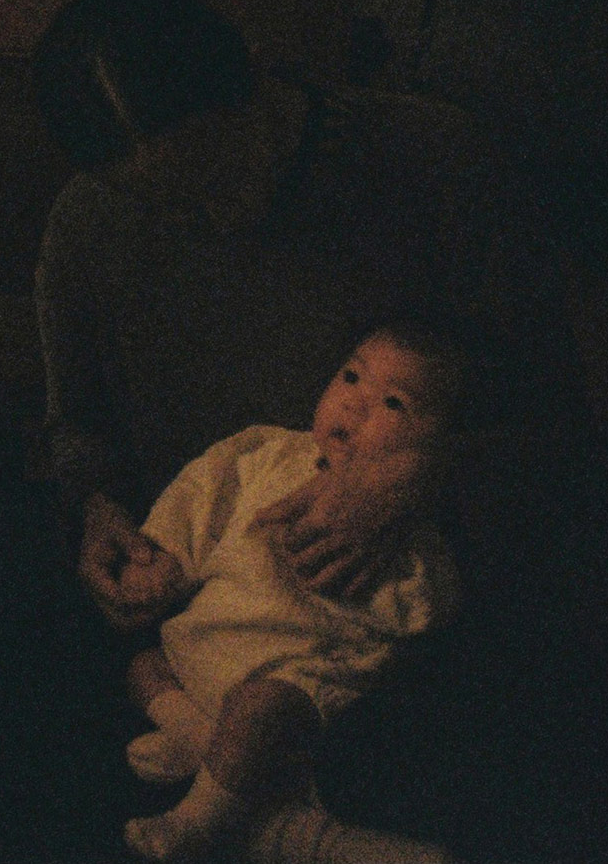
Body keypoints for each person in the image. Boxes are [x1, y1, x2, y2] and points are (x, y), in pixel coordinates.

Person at [30, 0, 590, 860]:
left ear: (257, 77)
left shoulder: (433, 163)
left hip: (393, 609)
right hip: (197, 593)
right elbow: (80, 425)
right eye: (166, 207)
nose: (210, 219)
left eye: (218, 174)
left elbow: (557, 422)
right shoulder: (92, 221)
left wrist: (420, 474)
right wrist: (99, 511)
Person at [113, 321, 477, 863]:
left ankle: (197, 822)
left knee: (262, 710)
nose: (355, 403)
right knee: (143, 666)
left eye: (394, 403)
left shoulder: (404, 528)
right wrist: (162, 557)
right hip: (201, 650)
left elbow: (426, 606)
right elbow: (202, 494)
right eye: (351, 376)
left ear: (431, 451)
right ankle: (227, 770)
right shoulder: (267, 451)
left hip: (290, 683)